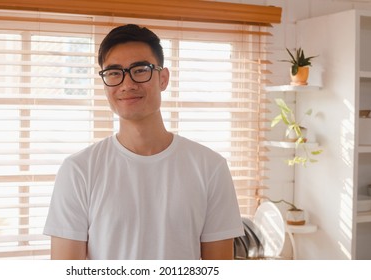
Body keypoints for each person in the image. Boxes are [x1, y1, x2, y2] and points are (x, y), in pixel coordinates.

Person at [43, 24, 244, 260]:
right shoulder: (78, 170)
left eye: (140, 70)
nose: (127, 84)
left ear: (163, 78)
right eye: (114, 73)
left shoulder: (210, 167)